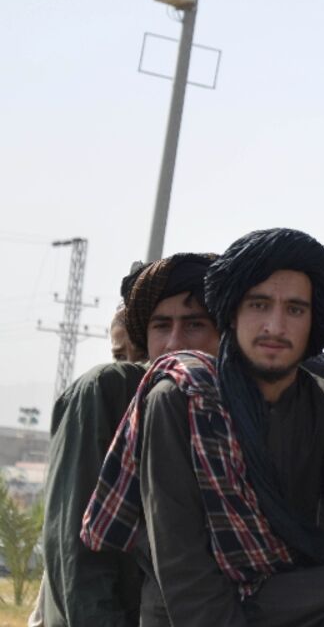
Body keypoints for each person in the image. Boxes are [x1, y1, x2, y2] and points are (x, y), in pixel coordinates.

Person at [82, 229, 324, 626]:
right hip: (189, 613)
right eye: (259, 305)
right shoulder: (182, 399)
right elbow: (181, 561)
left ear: (313, 322)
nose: (275, 326)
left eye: (295, 310)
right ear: (232, 314)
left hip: (286, 598)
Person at [40, 253, 219, 627]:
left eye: (194, 325)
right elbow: (75, 550)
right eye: (160, 327)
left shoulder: (220, 405)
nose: (173, 346)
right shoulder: (108, 390)